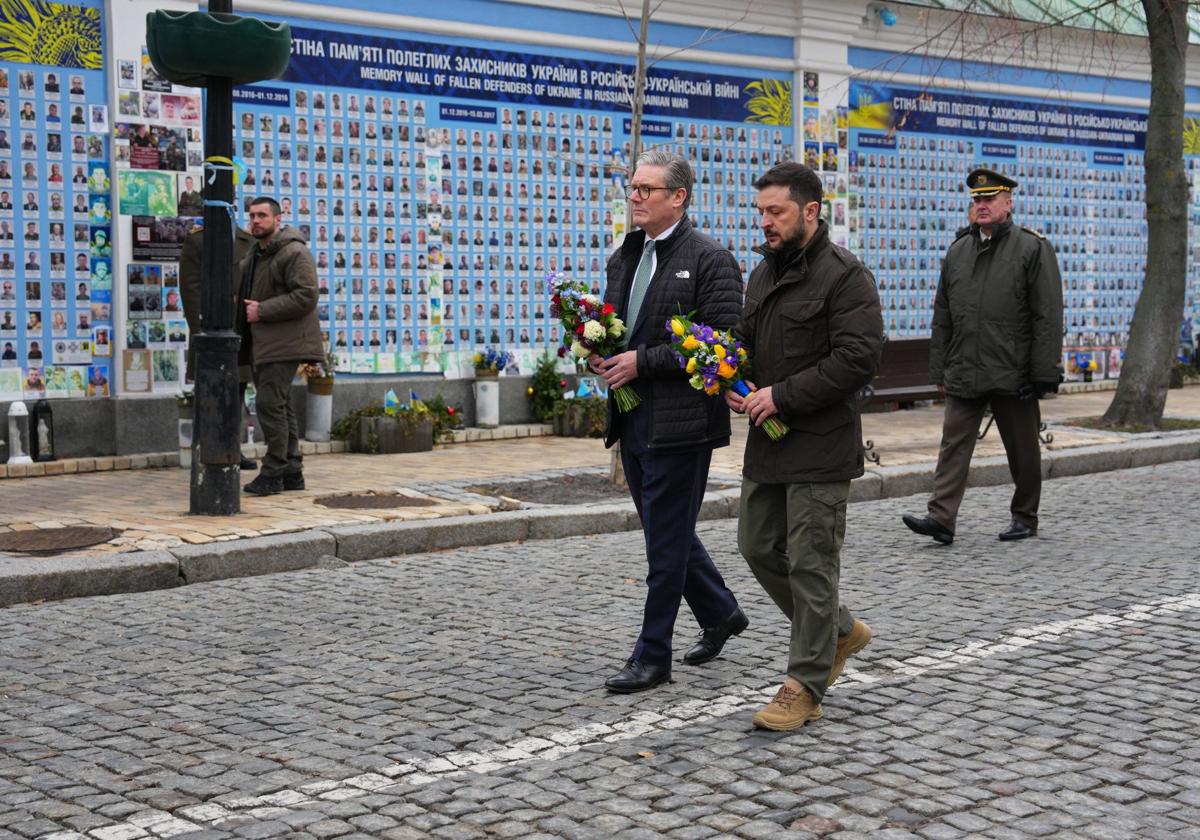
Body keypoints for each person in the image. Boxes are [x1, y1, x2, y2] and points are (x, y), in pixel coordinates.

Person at [724, 162, 883, 731]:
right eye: (760, 211)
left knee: (813, 564)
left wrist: (782, 396)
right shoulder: (763, 274)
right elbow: (750, 342)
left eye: (776, 212)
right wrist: (728, 373)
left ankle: (805, 684)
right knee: (756, 544)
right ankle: (839, 629)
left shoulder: (845, 276)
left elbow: (857, 359)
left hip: (818, 442)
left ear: (810, 212)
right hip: (768, 442)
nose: (764, 221)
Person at [591, 150, 747, 694]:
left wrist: (644, 360)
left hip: (682, 426)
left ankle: (652, 655)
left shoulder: (710, 259)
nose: (634, 196)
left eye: (646, 189)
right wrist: (598, 350)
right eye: (632, 187)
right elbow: (618, 329)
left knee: (663, 545)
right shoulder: (625, 256)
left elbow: (727, 345)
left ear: (678, 197)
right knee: (668, 532)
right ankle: (721, 611)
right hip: (631, 417)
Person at [902, 169, 1064, 545]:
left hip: (1014, 371)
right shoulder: (959, 250)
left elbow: (1047, 315)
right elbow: (943, 314)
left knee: (1022, 449)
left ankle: (1025, 515)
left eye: (990, 199)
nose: (982, 205)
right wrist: (939, 366)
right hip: (964, 367)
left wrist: (1043, 373)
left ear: (1008, 203)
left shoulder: (1032, 248)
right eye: (976, 200)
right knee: (953, 444)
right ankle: (941, 518)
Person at [236, 197, 324, 496]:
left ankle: (273, 471)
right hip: (267, 341)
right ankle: (292, 471)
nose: (256, 221)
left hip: (286, 340)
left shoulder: (293, 252)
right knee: (280, 404)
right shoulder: (258, 253)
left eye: (262, 215)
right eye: (252, 216)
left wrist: (263, 311)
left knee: (269, 403)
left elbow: (307, 295)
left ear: (277, 218)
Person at [180, 219, 257, 467]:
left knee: (237, 391)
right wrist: (200, 328)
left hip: (240, 328)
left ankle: (233, 448)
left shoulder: (249, 241)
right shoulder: (198, 240)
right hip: (210, 329)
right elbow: (190, 289)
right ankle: (206, 447)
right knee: (209, 391)